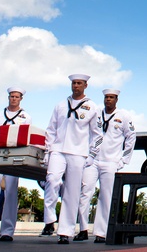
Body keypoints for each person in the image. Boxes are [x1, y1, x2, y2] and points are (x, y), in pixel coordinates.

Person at [43, 73, 98, 244]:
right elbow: (51, 129)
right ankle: (50, 219)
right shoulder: (60, 105)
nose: (75, 86)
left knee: (72, 193)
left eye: (79, 83)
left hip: (78, 153)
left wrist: (92, 154)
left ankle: (65, 232)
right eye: (74, 83)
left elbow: (97, 134)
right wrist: (47, 151)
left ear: (85, 86)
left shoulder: (91, 107)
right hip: (58, 149)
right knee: (51, 180)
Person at [79, 88, 137, 243]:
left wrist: (123, 160)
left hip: (111, 161)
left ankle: (101, 232)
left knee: (106, 197)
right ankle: (83, 229)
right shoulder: (96, 113)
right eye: (106, 97)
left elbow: (131, 137)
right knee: (85, 192)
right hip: (93, 160)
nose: (108, 100)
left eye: (111, 97)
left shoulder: (123, 116)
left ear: (116, 99)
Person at [0, 86, 32, 242]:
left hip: (15, 156)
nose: (14, 99)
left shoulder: (25, 117)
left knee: (10, 192)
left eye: (17, 96)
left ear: (21, 99)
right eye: (11, 96)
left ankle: (7, 230)